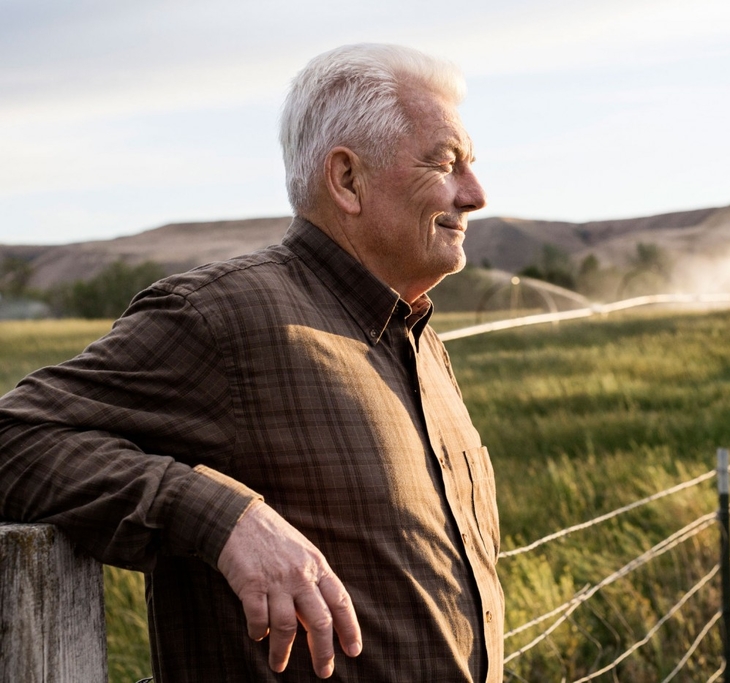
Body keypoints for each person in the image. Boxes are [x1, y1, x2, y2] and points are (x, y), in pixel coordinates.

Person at [0, 44, 502, 682]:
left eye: (472, 166)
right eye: (446, 163)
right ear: (347, 179)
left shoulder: (416, 335)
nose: (476, 194)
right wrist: (219, 516)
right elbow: (13, 437)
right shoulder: (222, 317)